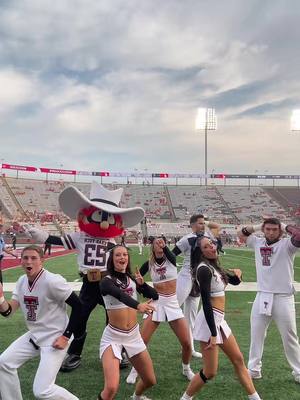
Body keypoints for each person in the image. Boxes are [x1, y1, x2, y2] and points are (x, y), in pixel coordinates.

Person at [22, 182, 144, 371]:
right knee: (79, 316)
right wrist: (41, 236)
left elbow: (121, 264)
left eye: (107, 217)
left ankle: (117, 351)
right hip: (89, 282)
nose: (103, 221)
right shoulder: (80, 236)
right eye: (98, 214)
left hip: (108, 283)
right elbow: (57, 240)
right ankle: (75, 353)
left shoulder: (111, 241)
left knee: (114, 316)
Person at [180, 236, 262, 400]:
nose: (211, 247)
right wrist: (213, 333)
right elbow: (206, 302)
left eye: (211, 243)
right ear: (201, 252)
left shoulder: (214, 266)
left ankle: (255, 398)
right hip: (209, 323)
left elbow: (233, 281)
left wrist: (238, 275)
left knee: (238, 360)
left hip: (219, 321)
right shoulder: (204, 269)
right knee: (210, 372)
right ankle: (185, 398)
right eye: (206, 246)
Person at [0, 245, 83, 400]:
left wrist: (65, 336)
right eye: (25, 258)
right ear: (21, 261)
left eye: (33, 258)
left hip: (55, 338)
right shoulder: (22, 280)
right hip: (35, 335)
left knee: (42, 391)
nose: (28, 261)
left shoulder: (52, 281)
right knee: (4, 363)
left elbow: (79, 306)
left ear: (42, 261)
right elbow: (8, 311)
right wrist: (0, 299)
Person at [237, 217, 300, 382]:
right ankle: (253, 369)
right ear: (264, 230)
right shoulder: (257, 242)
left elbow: (299, 235)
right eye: (268, 229)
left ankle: (298, 371)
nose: (271, 232)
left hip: (283, 296)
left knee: (289, 336)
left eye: (274, 229)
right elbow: (240, 233)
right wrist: (259, 225)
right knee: (256, 334)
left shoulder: (287, 245)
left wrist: (284, 226)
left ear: (280, 231)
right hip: (262, 294)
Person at [126, 236, 194, 385]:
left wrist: (164, 246)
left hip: (172, 303)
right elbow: (133, 280)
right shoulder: (149, 264)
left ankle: (186, 368)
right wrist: (140, 285)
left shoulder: (171, 259)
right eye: (157, 242)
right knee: (142, 341)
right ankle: (135, 370)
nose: (159, 243)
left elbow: (169, 253)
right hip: (157, 302)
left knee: (187, 343)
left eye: (162, 241)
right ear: (152, 247)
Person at [99, 245, 158, 400]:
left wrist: (142, 284)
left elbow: (154, 295)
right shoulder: (106, 281)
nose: (122, 258)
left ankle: (136, 397)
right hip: (113, 337)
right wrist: (138, 305)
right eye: (118, 255)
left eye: (125, 254)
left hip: (133, 336)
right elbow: (119, 295)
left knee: (150, 380)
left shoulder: (131, 278)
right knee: (111, 387)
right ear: (111, 259)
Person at [172, 214, 220, 358]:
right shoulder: (187, 239)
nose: (203, 225)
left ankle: (189, 347)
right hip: (186, 277)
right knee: (172, 309)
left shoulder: (207, 236)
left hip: (199, 279)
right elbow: (172, 254)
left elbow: (217, 226)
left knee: (190, 317)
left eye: (203, 223)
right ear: (192, 225)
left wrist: (205, 221)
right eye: (199, 223)